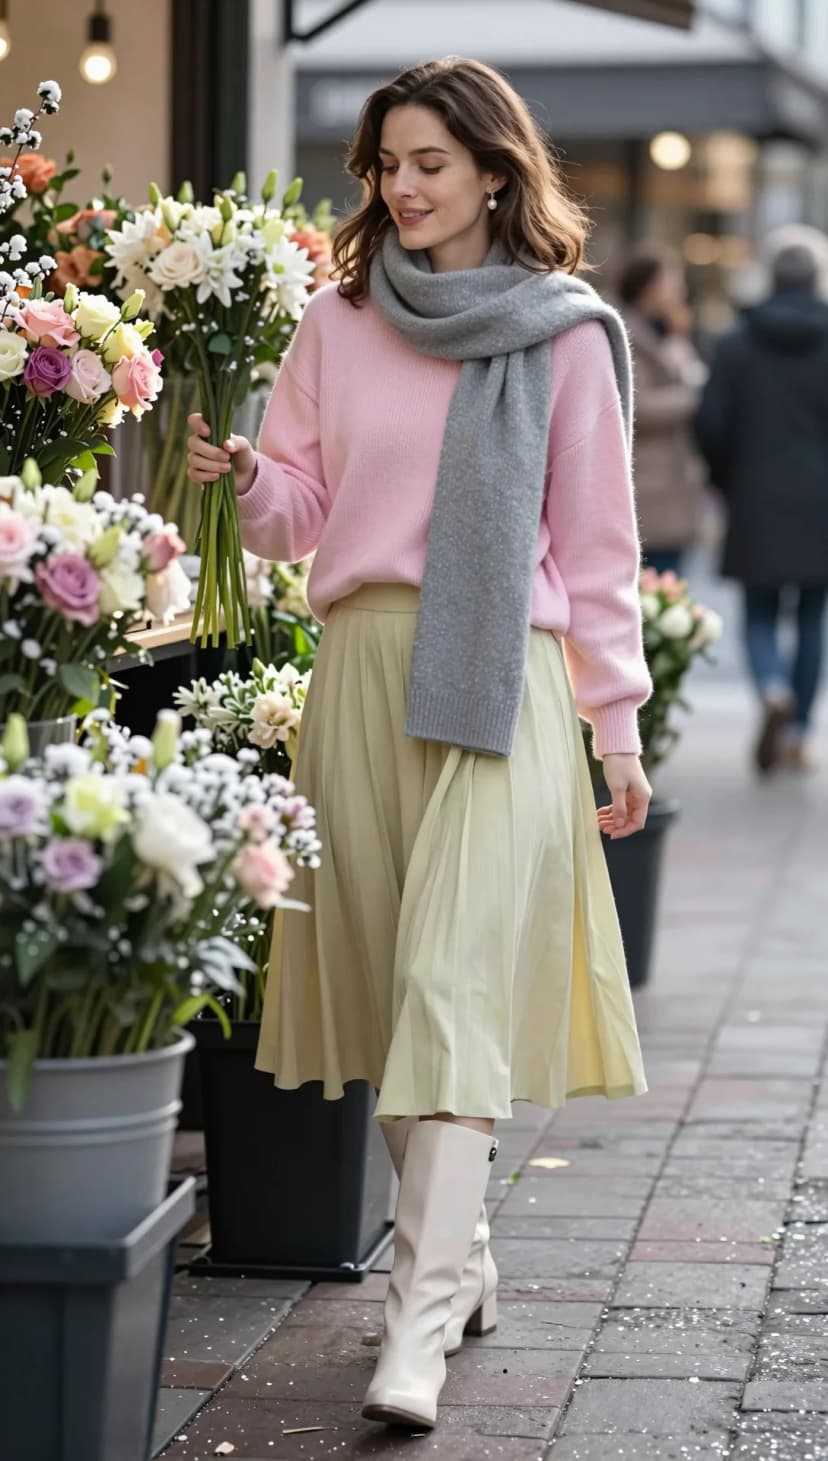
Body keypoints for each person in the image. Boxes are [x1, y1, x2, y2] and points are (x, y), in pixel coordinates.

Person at [187, 56, 652, 1432]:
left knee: (450, 981)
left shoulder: (565, 335)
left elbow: (602, 547)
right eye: (387, 164)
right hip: (364, 668)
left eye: (430, 164)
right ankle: (468, 1253)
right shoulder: (337, 321)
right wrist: (252, 483)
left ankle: (419, 1311)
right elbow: (305, 511)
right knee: (402, 992)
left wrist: (615, 730)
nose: (402, 187)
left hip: (500, 678)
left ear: (495, 173)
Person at [696, 234, 828, 774]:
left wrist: (727, 481)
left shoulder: (735, 342)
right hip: (822, 502)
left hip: (755, 495)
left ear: (769, 277)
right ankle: (798, 732)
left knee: (758, 613)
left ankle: (773, 687)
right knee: (814, 617)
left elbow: (710, 425)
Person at [614, 243, 706, 577]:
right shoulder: (626, 334)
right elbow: (636, 404)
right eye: (671, 280)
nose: (679, 289)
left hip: (674, 485)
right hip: (647, 487)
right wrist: (694, 396)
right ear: (648, 288)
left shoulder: (669, 332)